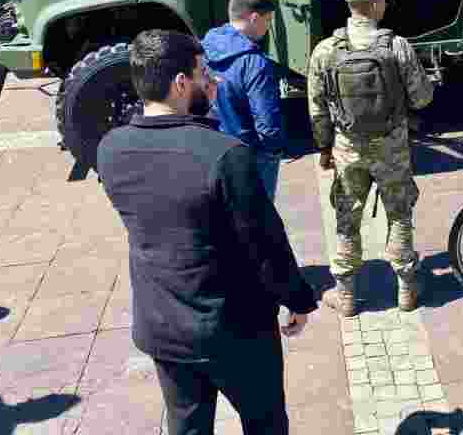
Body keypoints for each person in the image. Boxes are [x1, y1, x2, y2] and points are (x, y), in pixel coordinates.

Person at [97, 30, 317, 435]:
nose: (210, 81)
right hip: (234, 329)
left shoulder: (110, 149)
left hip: (163, 326)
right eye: (203, 73)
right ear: (181, 83)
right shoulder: (224, 155)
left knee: (188, 427)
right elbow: (265, 246)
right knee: (265, 423)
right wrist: (298, 298)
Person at [307, 0, 435, 317]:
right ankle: (407, 290)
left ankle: (346, 295)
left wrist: (324, 149)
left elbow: (317, 109)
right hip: (392, 146)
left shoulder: (325, 51)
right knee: (400, 214)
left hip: (348, 148)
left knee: (347, 217)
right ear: (376, 3)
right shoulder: (397, 46)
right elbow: (422, 98)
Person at [202, 0, 286, 201]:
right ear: (254, 18)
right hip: (249, 157)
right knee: (259, 223)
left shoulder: (204, 48)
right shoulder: (254, 63)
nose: (268, 28)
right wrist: (273, 151)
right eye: (268, 21)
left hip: (212, 151)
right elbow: (267, 123)